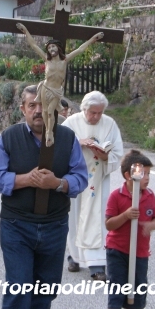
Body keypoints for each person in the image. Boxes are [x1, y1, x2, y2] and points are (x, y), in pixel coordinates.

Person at [0, 84, 88, 309]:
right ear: (23, 109)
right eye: (32, 105)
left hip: (55, 225)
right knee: (19, 287)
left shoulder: (68, 137)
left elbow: (81, 178)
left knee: (46, 289)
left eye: (44, 105)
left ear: (54, 109)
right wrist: (25, 179)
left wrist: (58, 184)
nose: (38, 110)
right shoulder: (10, 137)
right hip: (16, 225)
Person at [62, 91, 124, 281]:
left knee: (95, 218)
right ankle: (74, 257)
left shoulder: (110, 124)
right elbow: (57, 146)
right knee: (74, 218)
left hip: (97, 180)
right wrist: (78, 142)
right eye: (92, 113)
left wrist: (105, 155)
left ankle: (97, 265)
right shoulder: (71, 123)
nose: (96, 117)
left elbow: (118, 152)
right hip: (75, 179)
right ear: (84, 109)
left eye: (99, 113)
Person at [16, 22, 104, 147]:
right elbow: (34, 45)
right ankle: (48, 132)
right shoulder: (47, 60)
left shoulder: (64, 60)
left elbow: (80, 49)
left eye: (53, 47)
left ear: (58, 48)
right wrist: (25, 31)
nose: (51, 49)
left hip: (56, 91)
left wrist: (93, 39)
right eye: (49, 48)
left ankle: (49, 133)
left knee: (51, 112)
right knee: (46, 112)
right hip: (46, 88)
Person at [105, 150, 155, 309]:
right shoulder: (116, 196)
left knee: (134, 299)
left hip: (140, 253)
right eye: (143, 174)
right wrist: (125, 215)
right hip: (117, 251)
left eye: (149, 174)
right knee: (116, 294)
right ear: (129, 175)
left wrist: (151, 225)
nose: (147, 178)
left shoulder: (149, 196)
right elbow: (109, 224)